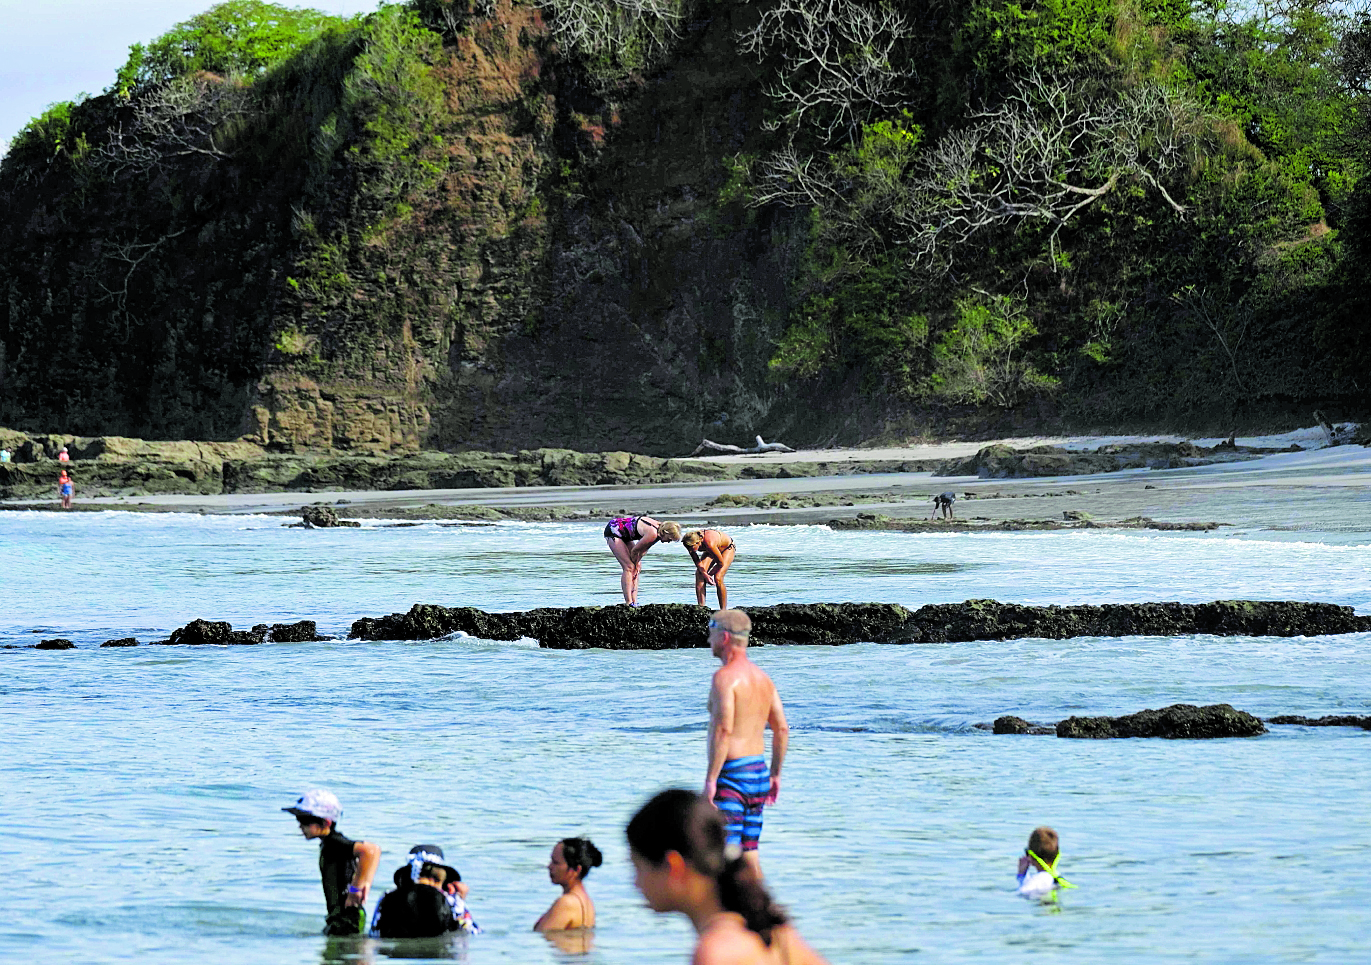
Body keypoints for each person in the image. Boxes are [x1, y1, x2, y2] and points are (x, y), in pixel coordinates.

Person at [627, 789, 828, 965]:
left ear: (674, 866)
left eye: (637, 868)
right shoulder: (775, 932)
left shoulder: (716, 952)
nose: (635, 883)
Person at [704, 609, 788, 874]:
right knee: (750, 851)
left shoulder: (724, 678)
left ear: (725, 637)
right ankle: (759, 911)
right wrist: (775, 774)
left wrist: (711, 779)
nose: (708, 639)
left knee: (725, 854)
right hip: (759, 774)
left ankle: (731, 913)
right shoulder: (764, 679)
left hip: (733, 776)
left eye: (711, 632)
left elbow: (723, 730)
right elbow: (782, 729)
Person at [283, 789, 382, 935]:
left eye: (305, 821)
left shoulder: (335, 843)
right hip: (338, 917)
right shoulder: (328, 843)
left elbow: (370, 851)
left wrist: (357, 887)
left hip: (347, 918)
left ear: (326, 822)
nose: (300, 826)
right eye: (299, 820)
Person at [371, 844, 480, 937]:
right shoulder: (453, 901)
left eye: (434, 879)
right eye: (422, 876)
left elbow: (374, 933)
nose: (428, 884)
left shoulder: (388, 898)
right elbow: (470, 932)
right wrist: (460, 903)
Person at [604, 515, 682, 605]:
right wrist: (635, 564)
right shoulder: (653, 533)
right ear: (665, 532)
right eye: (669, 539)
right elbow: (635, 551)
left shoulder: (659, 531)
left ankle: (634, 601)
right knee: (629, 567)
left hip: (626, 534)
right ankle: (629, 602)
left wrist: (637, 564)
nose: (668, 542)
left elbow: (643, 550)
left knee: (637, 567)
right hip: (614, 530)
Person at [534, 837, 602, 932]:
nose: (549, 866)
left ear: (576, 870)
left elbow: (540, 937)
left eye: (556, 863)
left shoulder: (566, 903)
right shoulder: (585, 900)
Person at [1016, 826, 1076, 902]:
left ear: (1030, 856)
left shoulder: (1036, 881)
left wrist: (1020, 876)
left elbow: (1022, 893)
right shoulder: (1058, 878)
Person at [683, 530, 737, 609]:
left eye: (691, 548)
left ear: (698, 542)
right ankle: (701, 607)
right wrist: (705, 574)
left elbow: (720, 563)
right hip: (711, 550)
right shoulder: (689, 542)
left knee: (718, 577)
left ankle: (723, 610)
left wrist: (709, 575)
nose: (690, 550)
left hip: (727, 548)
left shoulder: (709, 543)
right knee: (699, 573)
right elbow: (696, 560)